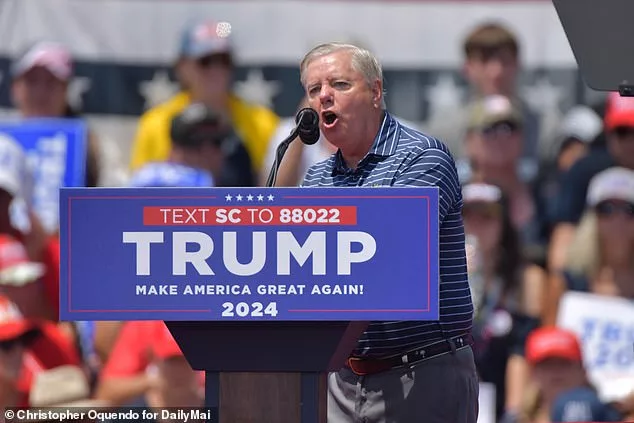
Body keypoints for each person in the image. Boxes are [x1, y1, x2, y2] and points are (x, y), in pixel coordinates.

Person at [300, 42, 477, 422]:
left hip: (421, 374)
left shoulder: (422, 157)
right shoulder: (316, 178)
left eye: (339, 85)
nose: (324, 97)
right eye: (314, 90)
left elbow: (392, 248)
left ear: (376, 92)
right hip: (342, 380)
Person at [129, 19, 279, 186]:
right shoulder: (155, 124)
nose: (216, 70)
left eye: (224, 60)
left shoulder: (262, 123)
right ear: (182, 67)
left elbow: (275, 191)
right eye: (205, 61)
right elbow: (140, 194)